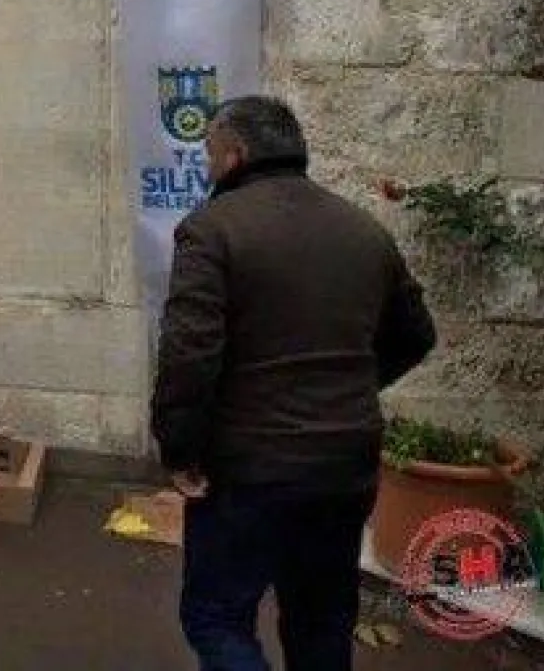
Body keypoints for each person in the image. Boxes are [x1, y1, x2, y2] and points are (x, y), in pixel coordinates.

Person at [151, 95, 437, 671]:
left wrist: (179, 449)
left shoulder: (211, 231)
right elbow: (416, 336)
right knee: (322, 620)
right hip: (343, 466)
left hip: (247, 469)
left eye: (209, 154)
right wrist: (352, 389)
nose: (207, 167)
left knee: (216, 616)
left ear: (235, 156)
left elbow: (189, 355)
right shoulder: (364, 232)